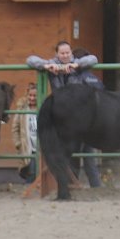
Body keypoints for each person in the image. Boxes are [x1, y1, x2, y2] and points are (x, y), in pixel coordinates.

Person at [26, 42, 103, 187]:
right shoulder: (52, 64)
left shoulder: (77, 64)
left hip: (82, 116)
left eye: (68, 53)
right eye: (62, 53)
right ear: (57, 54)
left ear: (71, 53)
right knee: (70, 153)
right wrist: (46, 66)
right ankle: (72, 185)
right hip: (64, 118)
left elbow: (93, 59)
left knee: (88, 154)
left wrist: (77, 65)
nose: (66, 56)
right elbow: (30, 59)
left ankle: (96, 186)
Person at [10, 82, 39, 182]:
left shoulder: (42, 109)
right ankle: (29, 190)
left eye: (34, 96)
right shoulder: (22, 109)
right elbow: (15, 128)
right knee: (30, 170)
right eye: (30, 95)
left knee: (40, 171)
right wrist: (18, 143)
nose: (32, 98)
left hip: (40, 145)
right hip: (27, 145)